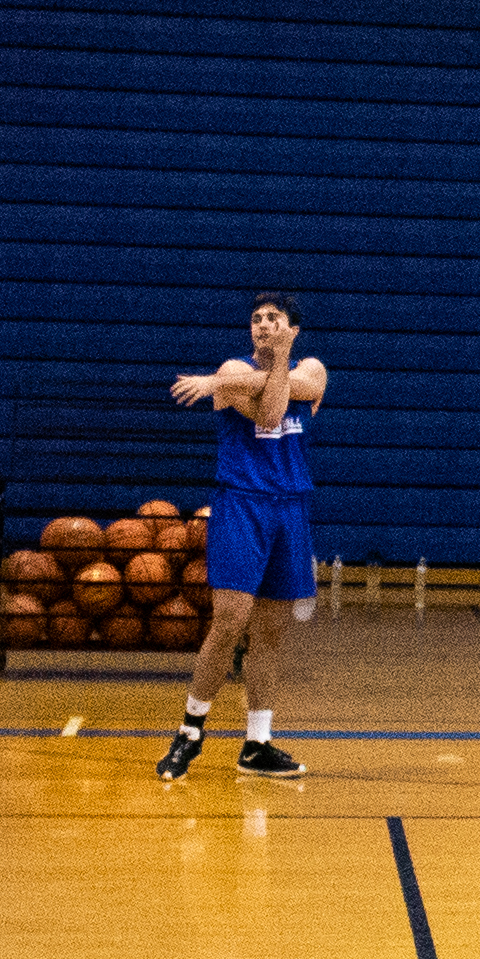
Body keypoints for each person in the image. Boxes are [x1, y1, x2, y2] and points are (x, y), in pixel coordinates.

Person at [157, 293, 324, 785]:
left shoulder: (312, 369)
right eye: (257, 319)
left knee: (270, 634)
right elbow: (271, 413)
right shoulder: (232, 367)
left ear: (294, 329)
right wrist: (231, 378)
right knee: (229, 621)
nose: (264, 325)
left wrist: (222, 383)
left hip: (291, 508)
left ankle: (256, 743)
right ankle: (190, 731)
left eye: (275, 319)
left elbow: (295, 385)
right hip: (241, 503)